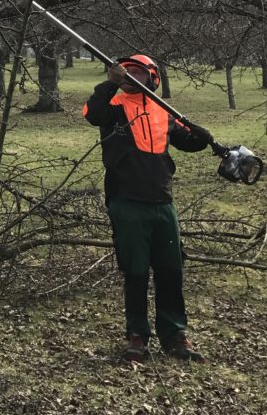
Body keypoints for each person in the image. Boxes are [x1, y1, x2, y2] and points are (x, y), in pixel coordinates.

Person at [82, 54, 214, 363]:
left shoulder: (163, 111)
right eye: (126, 72)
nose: (130, 77)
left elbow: (187, 141)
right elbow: (92, 113)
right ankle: (137, 335)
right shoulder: (113, 107)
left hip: (163, 203)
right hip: (126, 202)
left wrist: (202, 137)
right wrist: (110, 83)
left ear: (153, 78)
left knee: (171, 270)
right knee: (136, 272)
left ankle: (175, 335)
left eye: (138, 73)